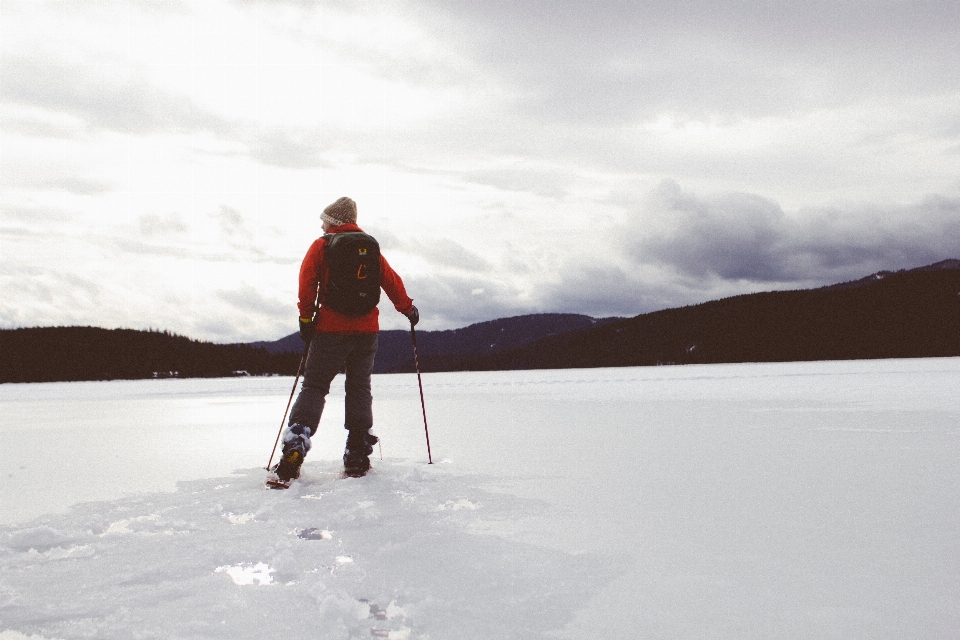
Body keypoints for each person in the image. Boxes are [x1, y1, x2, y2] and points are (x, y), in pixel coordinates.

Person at [273, 196, 418, 480]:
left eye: (324, 219)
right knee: (359, 387)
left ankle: (297, 443)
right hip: (366, 332)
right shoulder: (370, 248)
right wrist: (408, 309)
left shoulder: (323, 245)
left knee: (314, 386)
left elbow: (307, 282)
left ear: (334, 221)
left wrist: (305, 319)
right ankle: (357, 452)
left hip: (330, 329)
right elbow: (390, 280)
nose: (322, 224)